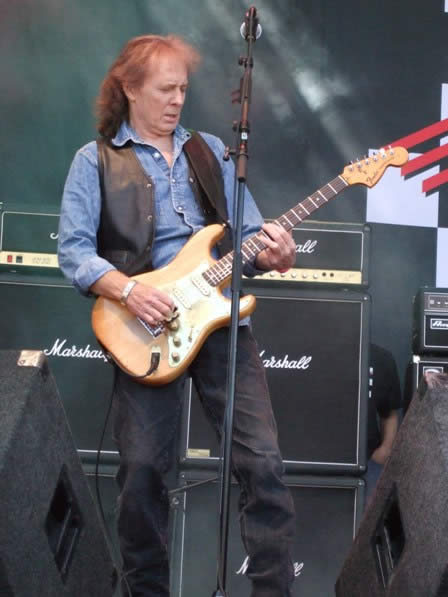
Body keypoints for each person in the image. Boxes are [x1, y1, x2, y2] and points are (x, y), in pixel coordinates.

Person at [58, 34, 297, 597]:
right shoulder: (93, 160)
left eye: (183, 89)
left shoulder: (210, 150)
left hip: (218, 327)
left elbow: (249, 240)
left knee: (263, 465)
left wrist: (273, 251)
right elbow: (72, 251)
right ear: (129, 88)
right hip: (143, 328)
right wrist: (127, 292)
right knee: (141, 475)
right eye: (165, 89)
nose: (176, 101)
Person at [364, 343, 401, 504]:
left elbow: (389, 413)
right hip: (321, 462)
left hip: (368, 463)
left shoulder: (381, 358)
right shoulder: (318, 350)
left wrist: (385, 450)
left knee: (366, 525)